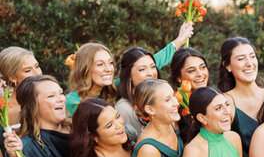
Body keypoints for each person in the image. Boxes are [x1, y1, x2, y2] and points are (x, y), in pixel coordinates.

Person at [64, 23, 193, 116]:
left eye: (110, 63)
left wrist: (179, 40)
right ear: (84, 68)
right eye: (100, 64)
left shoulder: (112, 88)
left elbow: (149, 65)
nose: (108, 69)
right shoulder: (73, 101)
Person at [115, 47, 159, 141]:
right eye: (142, 69)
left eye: (153, 67)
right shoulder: (124, 109)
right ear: (129, 76)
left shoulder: (164, 98)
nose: (151, 73)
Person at [169, 48, 210, 143]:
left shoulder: (218, 99)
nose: (200, 74)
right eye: (191, 71)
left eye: (203, 67)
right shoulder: (175, 108)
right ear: (178, 77)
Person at [0, 47, 42, 126]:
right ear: (12, 77)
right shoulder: (8, 111)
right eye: (28, 70)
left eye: (37, 66)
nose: (37, 73)